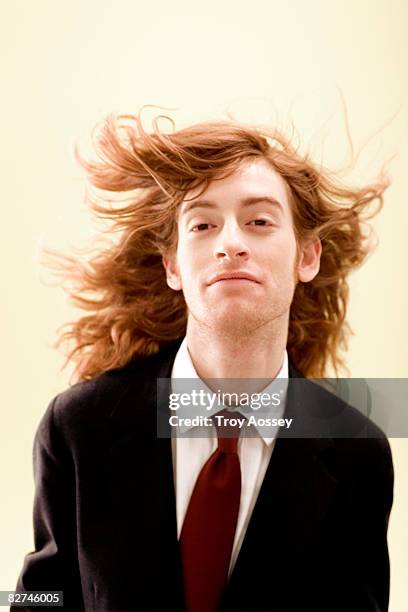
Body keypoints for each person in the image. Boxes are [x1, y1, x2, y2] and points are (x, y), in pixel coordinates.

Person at [14, 113, 394, 612]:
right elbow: (40, 599)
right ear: (173, 265)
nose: (230, 243)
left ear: (307, 256)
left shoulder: (357, 454)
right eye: (202, 224)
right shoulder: (78, 427)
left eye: (258, 221)